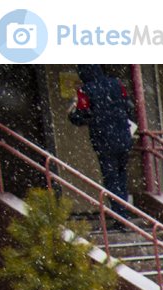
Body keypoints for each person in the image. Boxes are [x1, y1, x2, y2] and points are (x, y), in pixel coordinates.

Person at [68, 65, 136, 215]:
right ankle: (124, 210)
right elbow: (128, 106)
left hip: (103, 140)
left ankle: (120, 215)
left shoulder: (85, 90)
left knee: (111, 178)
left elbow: (82, 115)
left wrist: (72, 114)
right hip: (123, 136)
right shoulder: (116, 84)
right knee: (121, 175)